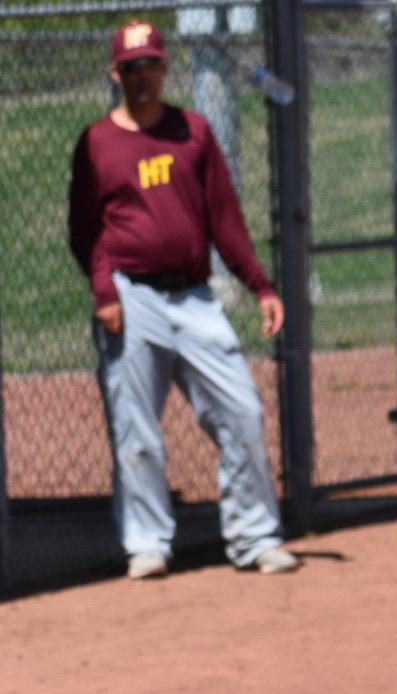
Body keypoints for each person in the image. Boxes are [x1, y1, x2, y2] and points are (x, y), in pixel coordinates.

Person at [68, 19, 299, 580]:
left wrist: (260, 285)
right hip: (131, 296)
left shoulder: (192, 132)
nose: (141, 76)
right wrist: (104, 291)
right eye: (130, 67)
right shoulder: (97, 142)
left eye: (150, 64)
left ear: (165, 66)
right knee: (136, 429)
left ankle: (254, 536)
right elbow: (85, 228)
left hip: (195, 296)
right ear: (115, 73)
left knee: (242, 410)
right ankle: (147, 543)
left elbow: (225, 218)